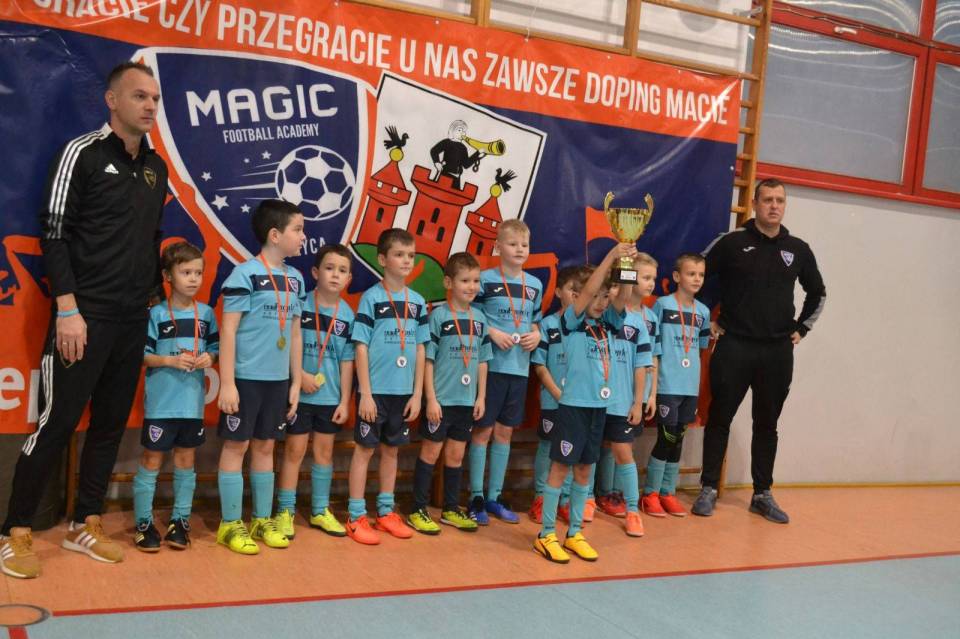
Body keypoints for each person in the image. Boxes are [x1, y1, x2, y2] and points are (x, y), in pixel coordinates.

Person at [1, 62, 167, 579]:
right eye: (139, 96)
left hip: (131, 319)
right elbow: (54, 233)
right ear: (112, 100)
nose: (150, 106)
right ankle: (14, 531)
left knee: (110, 426)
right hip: (84, 316)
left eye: (155, 99)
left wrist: (151, 304)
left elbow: (147, 242)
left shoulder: (155, 167)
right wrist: (68, 309)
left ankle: (84, 523)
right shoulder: (82, 154)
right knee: (57, 424)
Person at [692, 179, 826, 523]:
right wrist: (708, 323)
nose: (774, 206)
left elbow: (818, 293)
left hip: (777, 352)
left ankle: (762, 494)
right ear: (754, 204)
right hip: (734, 345)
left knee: (767, 424)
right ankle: (708, 488)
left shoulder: (798, 249)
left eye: (780, 200)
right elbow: (695, 277)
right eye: (767, 199)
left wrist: (802, 328)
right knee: (719, 417)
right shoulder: (731, 242)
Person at [534, 243, 637, 564]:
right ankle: (546, 534)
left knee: (584, 471)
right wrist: (611, 256)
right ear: (579, 298)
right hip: (572, 408)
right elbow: (591, 288)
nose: (601, 301)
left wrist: (626, 264)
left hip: (597, 409)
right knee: (559, 469)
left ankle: (574, 532)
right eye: (595, 297)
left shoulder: (609, 323)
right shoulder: (572, 321)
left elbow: (623, 295)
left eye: (605, 297)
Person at [215, 199, 306, 555]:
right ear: (275, 235)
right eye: (298, 229)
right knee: (236, 446)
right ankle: (229, 523)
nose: (303, 236)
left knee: (266, 446)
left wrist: (295, 381)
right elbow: (228, 331)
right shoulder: (244, 275)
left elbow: (295, 333)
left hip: (277, 381)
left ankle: (261, 519)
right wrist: (227, 383)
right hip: (245, 378)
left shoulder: (296, 279)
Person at [133, 242, 218, 552]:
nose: (193, 279)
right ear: (168, 276)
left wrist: (209, 358)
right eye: (186, 272)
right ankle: (143, 523)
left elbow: (215, 348)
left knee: (185, 460)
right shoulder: (156, 314)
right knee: (152, 459)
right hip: (161, 404)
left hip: (191, 405)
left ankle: (179, 522)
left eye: (198, 273)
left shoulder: (206, 314)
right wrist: (169, 360)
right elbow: (142, 355)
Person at [346, 229, 429, 545]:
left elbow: (420, 348)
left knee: (392, 450)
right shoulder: (371, 298)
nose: (406, 260)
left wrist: (418, 393)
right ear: (382, 259)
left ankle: (385, 511)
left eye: (411, 255)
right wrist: (365, 393)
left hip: (403, 392)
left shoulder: (418, 302)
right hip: (375, 392)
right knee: (365, 450)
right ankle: (356, 516)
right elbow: (361, 346)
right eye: (399, 255)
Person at [274, 244, 355, 540]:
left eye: (342, 271)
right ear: (315, 272)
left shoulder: (348, 315)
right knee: (294, 451)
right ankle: (285, 510)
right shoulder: (300, 305)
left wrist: (344, 401)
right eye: (329, 268)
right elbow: (284, 345)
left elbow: (347, 361)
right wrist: (300, 376)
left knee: (324, 453)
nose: (335, 275)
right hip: (299, 395)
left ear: (349, 279)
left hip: (330, 398)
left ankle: (320, 509)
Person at [408, 252, 491, 535]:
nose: (471, 286)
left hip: (466, 401)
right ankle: (417, 509)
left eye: (476, 281)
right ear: (448, 282)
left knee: (456, 456)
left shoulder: (480, 319)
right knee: (430, 452)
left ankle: (451, 509)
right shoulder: (438, 317)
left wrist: (480, 397)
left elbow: (482, 361)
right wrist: (430, 399)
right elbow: (428, 360)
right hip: (440, 401)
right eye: (465, 280)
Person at [468, 219, 542, 525]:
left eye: (524, 245)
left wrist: (536, 335)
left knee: (504, 432)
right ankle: (475, 498)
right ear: (498, 247)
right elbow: (471, 315)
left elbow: (536, 321)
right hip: (490, 367)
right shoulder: (484, 280)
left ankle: (494, 496)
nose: (519, 249)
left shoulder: (534, 284)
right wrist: (492, 331)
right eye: (513, 244)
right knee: (482, 431)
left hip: (519, 369)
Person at [641, 254, 710, 518]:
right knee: (666, 437)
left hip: (688, 387)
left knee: (678, 439)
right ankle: (650, 494)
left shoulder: (703, 312)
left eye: (701, 275)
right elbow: (653, 345)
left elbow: (700, 349)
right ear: (677, 276)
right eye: (691, 274)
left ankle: (667, 492)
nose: (697, 279)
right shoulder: (663, 305)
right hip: (666, 384)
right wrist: (651, 386)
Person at [594, 278, 652, 537]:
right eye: (611, 289)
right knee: (588, 453)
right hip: (593, 400)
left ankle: (632, 511)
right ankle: (587, 500)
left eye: (620, 287)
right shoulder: (597, 319)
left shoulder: (637, 323)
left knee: (622, 452)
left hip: (621, 402)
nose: (616, 294)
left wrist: (638, 402)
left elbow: (641, 366)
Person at [529, 266, 587, 523]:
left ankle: (564, 499)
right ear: (558, 292)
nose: (576, 296)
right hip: (553, 400)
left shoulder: (587, 325)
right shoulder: (547, 325)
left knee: (572, 449)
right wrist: (556, 392)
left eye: (580, 292)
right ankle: (541, 498)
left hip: (579, 401)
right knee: (548, 447)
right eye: (572, 290)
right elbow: (539, 366)